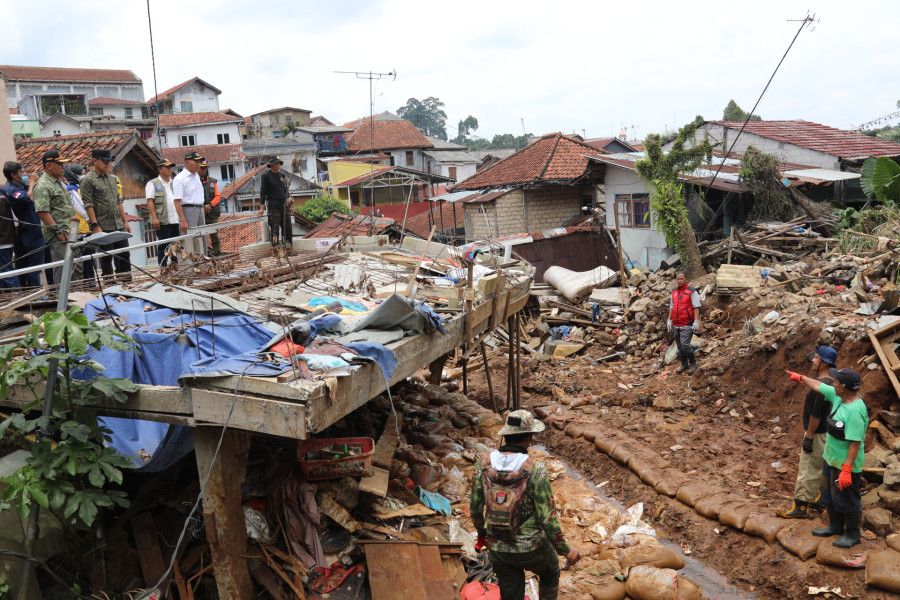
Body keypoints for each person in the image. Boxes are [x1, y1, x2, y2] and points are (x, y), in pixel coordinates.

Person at [470, 410, 581, 600]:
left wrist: (482, 536)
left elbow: (475, 508)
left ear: (505, 435)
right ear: (528, 438)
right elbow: (548, 518)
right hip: (532, 549)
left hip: (498, 549)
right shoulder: (535, 469)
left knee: (510, 589)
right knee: (551, 570)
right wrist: (565, 550)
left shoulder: (483, 464)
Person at [785, 367, 868, 548]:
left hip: (845, 464)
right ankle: (835, 526)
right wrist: (801, 377)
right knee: (829, 495)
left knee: (848, 498)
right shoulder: (839, 397)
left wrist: (846, 471)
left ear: (842, 387)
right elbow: (818, 386)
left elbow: (855, 444)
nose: (833, 383)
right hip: (830, 458)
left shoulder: (854, 411)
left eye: (836, 382)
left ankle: (852, 534)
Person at [776, 346, 837, 519]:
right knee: (823, 467)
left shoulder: (822, 387)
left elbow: (816, 414)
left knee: (808, 467)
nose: (812, 360)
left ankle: (801, 506)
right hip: (827, 432)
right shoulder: (832, 379)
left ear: (824, 363)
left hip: (817, 433)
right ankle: (823, 499)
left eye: (816, 358)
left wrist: (809, 436)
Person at [81, 148, 131, 281]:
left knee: (124, 254)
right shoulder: (88, 180)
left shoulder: (112, 179)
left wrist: (125, 221)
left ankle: (127, 282)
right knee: (106, 257)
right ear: (94, 161)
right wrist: (95, 225)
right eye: (105, 161)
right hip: (103, 225)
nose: (108, 164)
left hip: (117, 223)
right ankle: (110, 285)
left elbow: (118, 201)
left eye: (109, 161)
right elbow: (88, 204)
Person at [33, 149, 82, 285]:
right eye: (59, 164)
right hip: (59, 234)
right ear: (48, 165)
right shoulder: (43, 184)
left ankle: (79, 299)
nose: (63, 167)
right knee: (64, 270)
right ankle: (63, 303)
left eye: (63, 164)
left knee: (76, 269)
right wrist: (59, 232)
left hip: (69, 232)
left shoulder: (58, 182)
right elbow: (42, 211)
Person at [2, 161, 44, 288]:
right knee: (34, 267)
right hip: (29, 231)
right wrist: (32, 182)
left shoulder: (22, 186)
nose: (26, 174)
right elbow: (28, 198)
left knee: (33, 264)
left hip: (35, 229)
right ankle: (36, 293)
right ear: (14, 175)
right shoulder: (11, 189)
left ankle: (32, 290)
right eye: (22, 172)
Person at [63, 164, 94, 282]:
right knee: (83, 261)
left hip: (85, 228)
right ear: (73, 175)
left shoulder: (79, 187)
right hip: (80, 230)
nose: (83, 175)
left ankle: (91, 282)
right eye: (81, 173)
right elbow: (81, 209)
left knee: (89, 260)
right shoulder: (71, 190)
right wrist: (91, 217)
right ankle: (88, 283)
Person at [145, 159, 179, 266]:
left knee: (175, 246)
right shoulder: (153, 183)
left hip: (175, 220)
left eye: (171, 167)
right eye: (167, 167)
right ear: (160, 169)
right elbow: (150, 201)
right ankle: (163, 268)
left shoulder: (174, 183)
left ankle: (175, 266)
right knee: (163, 245)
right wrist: (155, 218)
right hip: (163, 220)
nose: (170, 169)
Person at [666, 270, 701, 374]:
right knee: (680, 346)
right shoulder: (674, 291)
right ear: (675, 280)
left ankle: (693, 363)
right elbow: (671, 307)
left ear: (686, 279)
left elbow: (696, 306)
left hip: (687, 322)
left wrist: (696, 321)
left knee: (685, 345)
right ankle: (684, 364)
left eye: (681, 278)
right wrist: (669, 319)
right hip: (676, 323)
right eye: (678, 279)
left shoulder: (692, 291)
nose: (679, 280)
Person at [173, 151, 206, 256]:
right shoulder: (180, 178)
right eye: (195, 161)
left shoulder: (196, 176)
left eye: (199, 161)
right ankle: (189, 265)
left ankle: (203, 262)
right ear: (187, 162)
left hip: (200, 209)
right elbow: (177, 201)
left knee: (202, 237)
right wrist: (183, 220)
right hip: (188, 210)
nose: (198, 164)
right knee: (189, 239)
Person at [258, 156, 292, 248]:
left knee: (287, 227)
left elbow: (285, 191)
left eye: (279, 163)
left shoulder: (282, 176)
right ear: (272, 165)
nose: (278, 165)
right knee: (275, 228)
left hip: (284, 205)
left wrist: (290, 205)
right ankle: (276, 248)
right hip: (273, 206)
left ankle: (288, 246)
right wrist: (262, 207)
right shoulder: (266, 176)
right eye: (276, 163)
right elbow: (263, 192)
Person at [199, 160, 222, 256]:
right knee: (200, 236)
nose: (204, 170)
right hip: (200, 213)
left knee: (215, 236)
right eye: (202, 168)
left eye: (205, 168)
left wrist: (210, 206)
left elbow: (217, 196)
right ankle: (203, 254)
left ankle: (217, 253)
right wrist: (202, 208)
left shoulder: (212, 181)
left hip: (212, 213)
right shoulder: (194, 182)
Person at [0, 188, 19, 290]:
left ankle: (16, 296)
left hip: (3, 242)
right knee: (5, 271)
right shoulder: (5, 195)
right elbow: (16, 221)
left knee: (6, 271)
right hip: (7, 239)